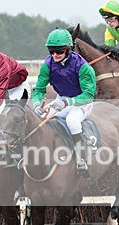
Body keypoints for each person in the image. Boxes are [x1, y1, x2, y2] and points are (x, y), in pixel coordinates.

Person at [32, 29, 96, 176]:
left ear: (68, 49)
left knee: (72, 120)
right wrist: (36, 104)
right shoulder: (47, 65)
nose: (55, 55)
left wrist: (68, 102)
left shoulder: (83, 66)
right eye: (51, 51)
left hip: (81, 102)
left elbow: (89, 95)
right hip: (61, 99)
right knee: (40, 120)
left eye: (59, 51)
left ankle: (81, 159)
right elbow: (39, 89)